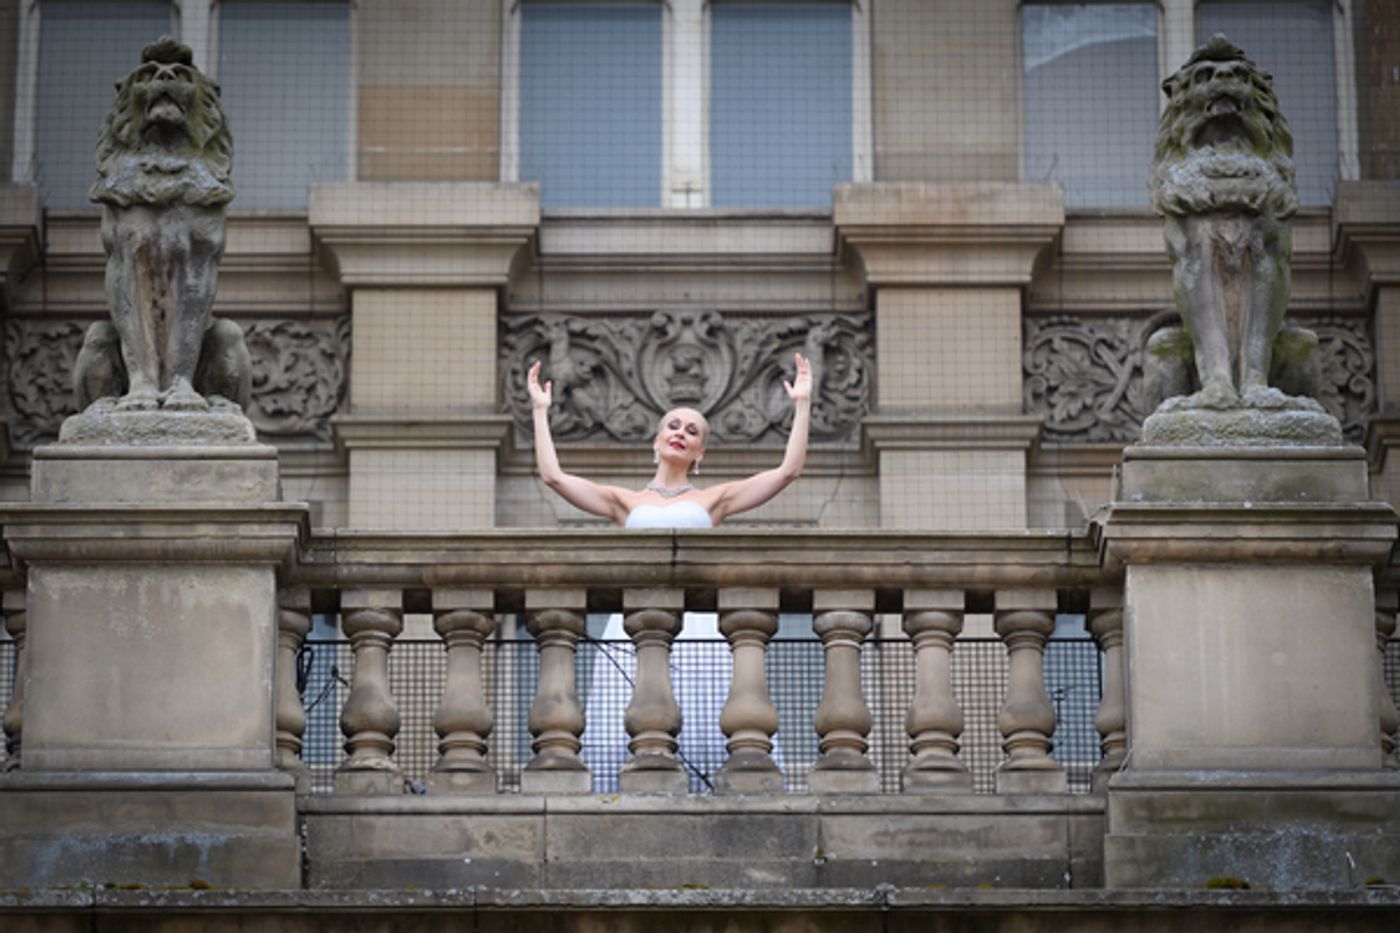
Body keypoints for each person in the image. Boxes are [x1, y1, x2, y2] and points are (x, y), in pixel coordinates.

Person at [526, 353, 812, 790]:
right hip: (636, 623)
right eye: (673, 426)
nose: (681, 432)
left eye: (692, 431)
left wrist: (802, 404)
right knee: (631, 723)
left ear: (699, 454)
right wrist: (540, 410)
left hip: (699, 626)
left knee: (705, 720)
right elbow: (553, 477)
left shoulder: (714, 499)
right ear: (657, 440)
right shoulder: (624, 501)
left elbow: (788, 471)